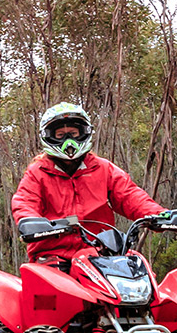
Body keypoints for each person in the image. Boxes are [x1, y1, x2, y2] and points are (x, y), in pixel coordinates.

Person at [10, 102, 166, 266]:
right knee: (49, 287)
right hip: (54, 255)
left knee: (137, 278)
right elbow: (25, 201)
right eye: (60, 134)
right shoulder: (38, 172)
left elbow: (130, 196)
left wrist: (159, 214)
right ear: (49, 136)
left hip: (101, 254)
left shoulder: (103, 168)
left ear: (84, 133)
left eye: (73, 133)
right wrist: (30, 222)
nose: (68, 141)